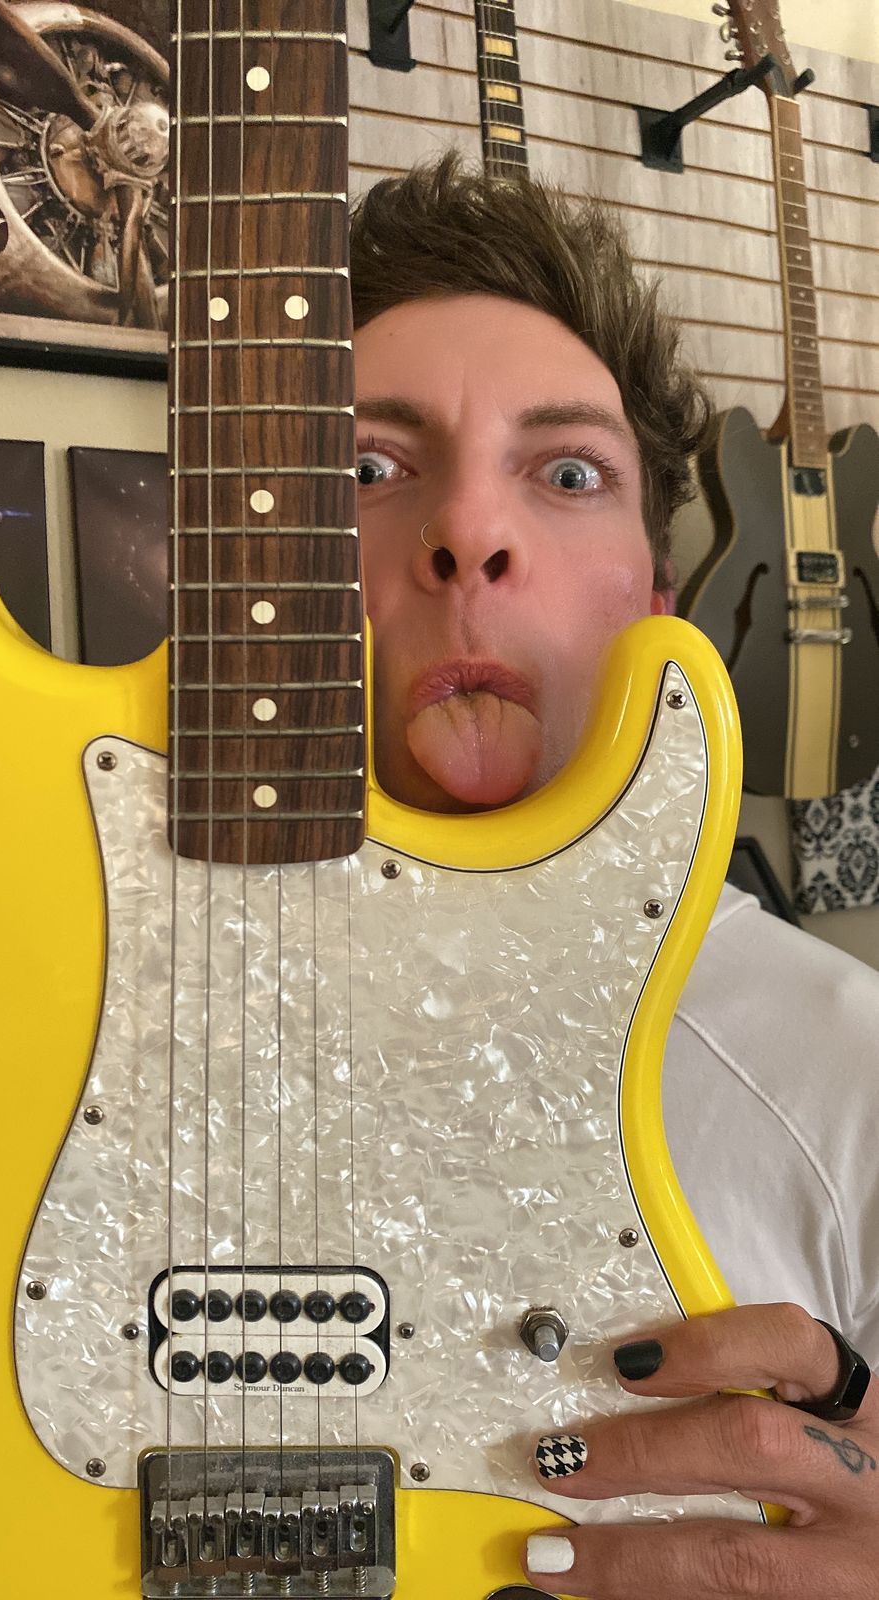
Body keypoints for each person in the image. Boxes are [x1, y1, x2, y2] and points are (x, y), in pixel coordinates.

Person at [348, 153, 879, 1597]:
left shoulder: (849, 1064)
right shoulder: (39, 996)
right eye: (364, 470)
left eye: (569, 473)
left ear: (655, 599)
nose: (470, 535)